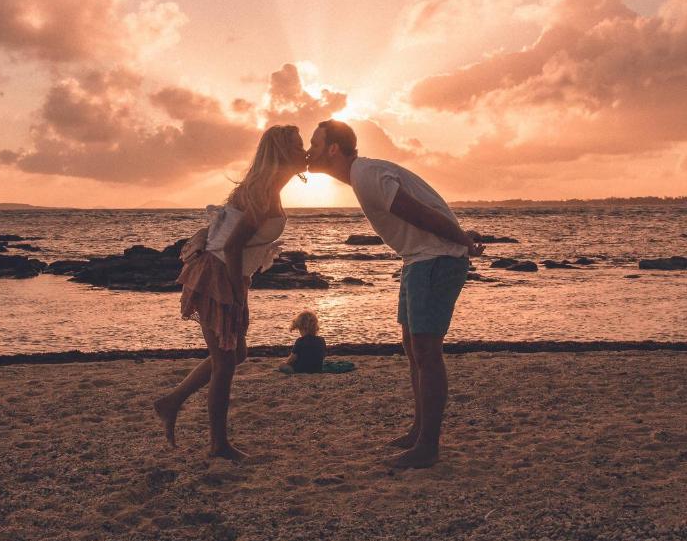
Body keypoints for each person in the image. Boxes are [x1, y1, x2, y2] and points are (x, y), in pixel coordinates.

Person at [306, 119, 483, 468]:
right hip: (417, 259)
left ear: (332, 149)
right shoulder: (362, 175)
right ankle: (420, 431)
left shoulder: (367, 176)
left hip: (436, 258)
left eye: (314, 144)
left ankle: (428, 447)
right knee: (411, 346)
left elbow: (423, 214)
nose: (308, 151)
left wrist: (462, 240)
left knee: (426, 351)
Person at [154, 125, 308, 461]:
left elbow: (235, 242)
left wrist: (243, 288)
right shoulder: (263, 191)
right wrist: (239, 296)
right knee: (226, 361)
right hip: (218, 277)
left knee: (235, 355)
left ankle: (172, 401)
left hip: (229, 274)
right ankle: (218, 445)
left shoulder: (268, 189)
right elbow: (234, 245)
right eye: (298, 146)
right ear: (281, 152)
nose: (305, 151)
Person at [280, 310, 327, 374]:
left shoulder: (300, 341)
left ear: (303, 328)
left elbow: (292, 359)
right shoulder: (321, 340)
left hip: (301, 370)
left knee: (282, 365)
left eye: (299, 329)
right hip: (317, 370)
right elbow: (323, 356)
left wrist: (285, 363)